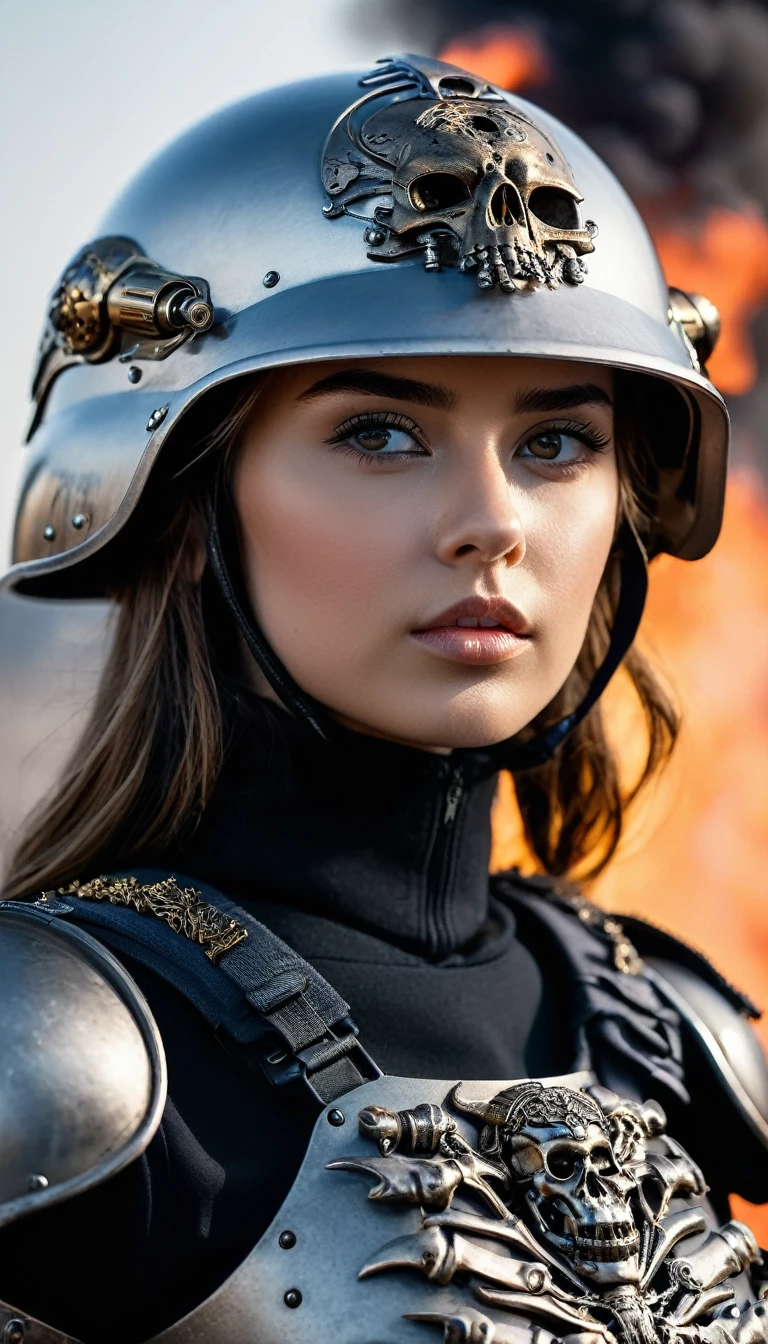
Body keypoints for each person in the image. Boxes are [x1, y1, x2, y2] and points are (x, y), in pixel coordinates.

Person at [0, 52, 766, 1344]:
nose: (491, 523)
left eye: (556, 441)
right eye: (380, 433)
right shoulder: (50, 1061)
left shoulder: (694, 1039)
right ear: (186, 503)